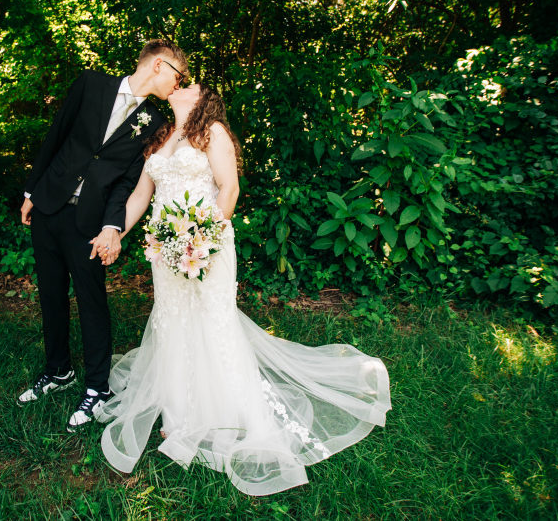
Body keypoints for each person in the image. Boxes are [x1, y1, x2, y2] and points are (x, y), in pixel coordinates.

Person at [93, 83, 392, 496]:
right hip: (165, 248)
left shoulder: (211, 132)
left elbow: (229, 190)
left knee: (213, 323)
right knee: (173, 323)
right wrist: (115, 234)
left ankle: (225, 413)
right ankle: (178, 416)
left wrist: (201, 237)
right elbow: (141, 196)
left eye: (191, 84)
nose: (182, 85)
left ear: (201, 99)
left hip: (206, 244)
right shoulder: (159, 137)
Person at [17, 39, 189, 432]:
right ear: (159, 66)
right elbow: (56, 135)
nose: (178, 86)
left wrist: (112, 227)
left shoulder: (156, 122)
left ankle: (97, 387)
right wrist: (31, 191)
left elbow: (127, 182)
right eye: (178, 77)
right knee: (51, 294)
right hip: (49, 205)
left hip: (89, 221)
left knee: (92, 301)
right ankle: (58, 370)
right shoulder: (91, 83)